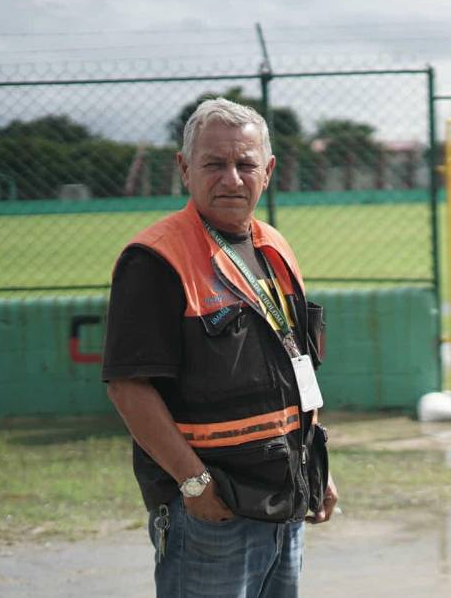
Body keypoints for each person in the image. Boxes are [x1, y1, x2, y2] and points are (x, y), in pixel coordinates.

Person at [103, 97, 336, 597]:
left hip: (284, 500)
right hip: (211, 511)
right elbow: (129, 387)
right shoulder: (155, 260)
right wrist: (194, 484)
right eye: (214, 164)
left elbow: (295, 361)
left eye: (245, 164)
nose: (232, 177)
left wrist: (315, 466)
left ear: (268, 170)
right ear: (184, 169)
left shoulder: (274, 246)